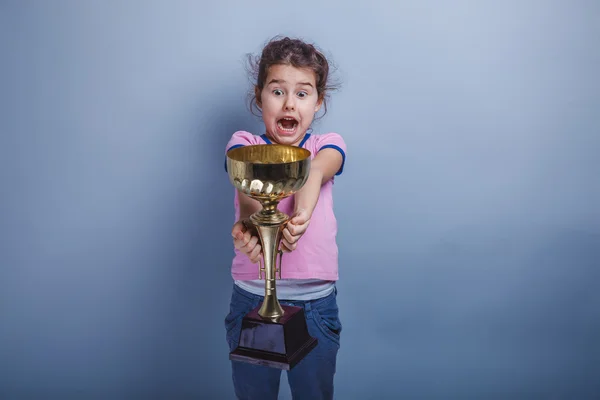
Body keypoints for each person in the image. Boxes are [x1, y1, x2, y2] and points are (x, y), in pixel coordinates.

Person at [223, 36, 347, 400]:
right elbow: (248, 191)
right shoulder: (242, 142)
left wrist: (301, 217)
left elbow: (313, 172)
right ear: (260, 95)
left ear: (318, 101)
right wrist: (250, 227)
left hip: (314, 306)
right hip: (251, 297)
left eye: (303, 93)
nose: (290, 103)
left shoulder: (325, 145)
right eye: (277, 92)